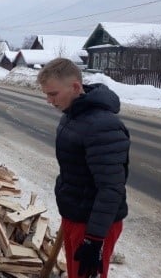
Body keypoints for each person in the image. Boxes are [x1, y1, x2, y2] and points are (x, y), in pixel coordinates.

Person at [36, 58, 130, 278]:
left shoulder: (103, 126)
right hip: (75, 213)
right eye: (46, 94)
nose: (49, 101)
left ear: (75, 87)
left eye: (53, 94)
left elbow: (111, 187)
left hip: (94, 224)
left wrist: (94, 239)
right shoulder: (72, 115)